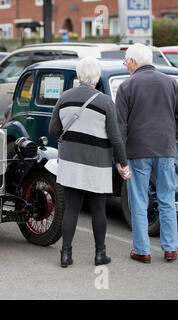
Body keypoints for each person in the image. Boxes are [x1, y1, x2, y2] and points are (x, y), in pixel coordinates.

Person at [49, 57, 131, 268]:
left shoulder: (65, 98)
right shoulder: (105, 102)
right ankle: (99, 254)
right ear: (97, 78)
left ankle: (65, 254)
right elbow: (115, 138)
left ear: (78, 76)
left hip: (70, 162)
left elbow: (53, 130)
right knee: (98, 210)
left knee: (71, 209)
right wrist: (122, 162)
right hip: (97, 164)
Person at [116, 43, 178, 263]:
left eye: (126, 63)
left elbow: (120, 127)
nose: (126, 67)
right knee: (167, 199)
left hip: (138, 151)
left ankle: (142, 251)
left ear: (133, 61)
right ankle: (171, 248)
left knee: (139, 201)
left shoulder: (126, 86)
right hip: (167, 149)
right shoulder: (171, 83)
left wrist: (120, 159)